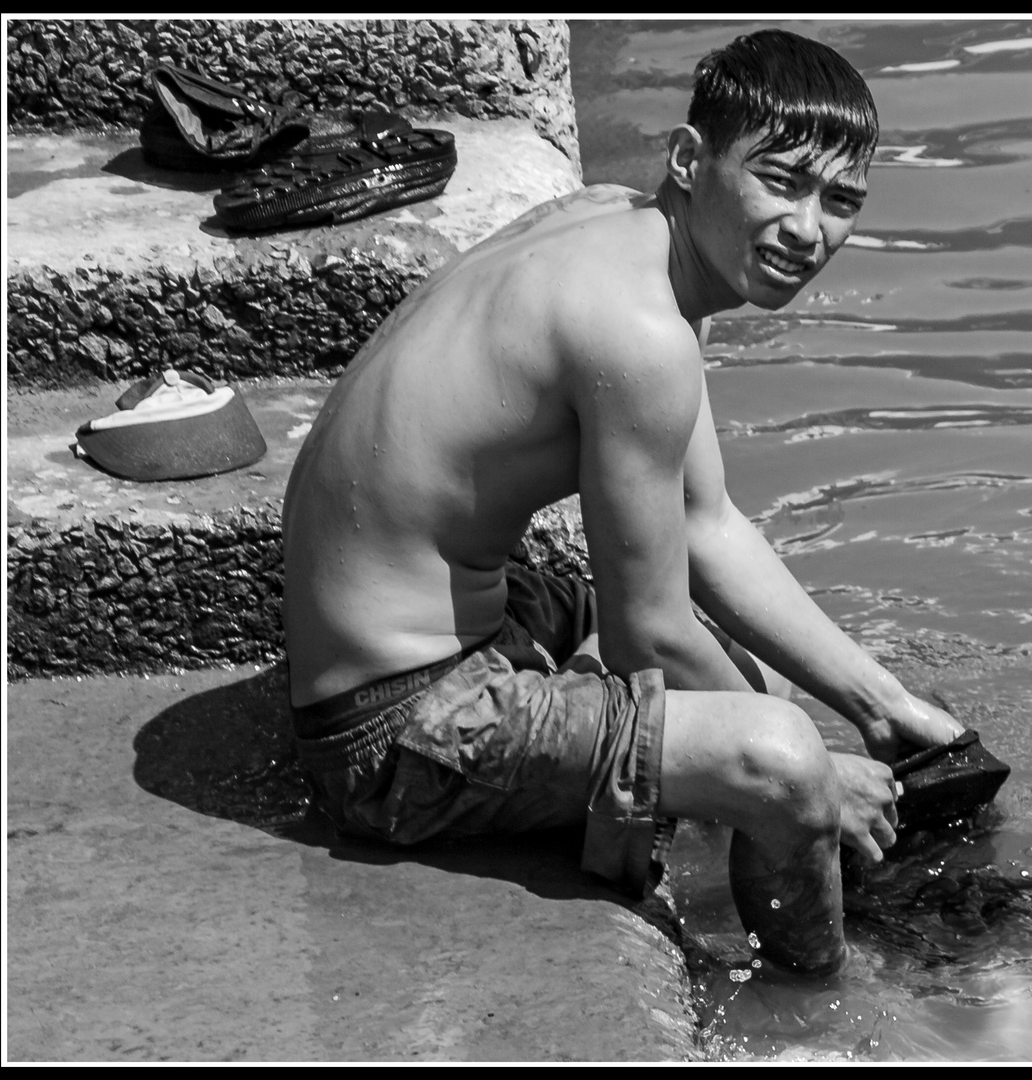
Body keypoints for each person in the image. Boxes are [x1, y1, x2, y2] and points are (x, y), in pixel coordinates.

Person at [280, 28, 963, 976]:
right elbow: (650, 639)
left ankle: (749, 841)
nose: (810, 229)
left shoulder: (619, 225)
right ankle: (816, 1000)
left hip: (424, 640)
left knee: (740, 688)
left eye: (840, 199)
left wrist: (881, 708)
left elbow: (705, 522)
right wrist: (814, 784)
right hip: (397, 736)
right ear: (689, 160)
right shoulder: (643, 336)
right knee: (778, 759)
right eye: (780, 180)